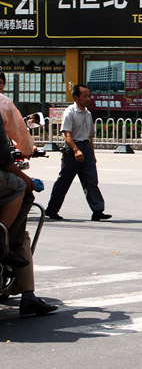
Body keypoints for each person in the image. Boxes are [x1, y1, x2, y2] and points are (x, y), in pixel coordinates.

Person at [0, 111, 58, 315]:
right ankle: (6, 241)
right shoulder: (5, 105)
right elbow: (10, 154)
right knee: (21, 188)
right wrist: (26, 177)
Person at [45, 84, 111, 221]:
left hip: (86, 149)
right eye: (85, 96)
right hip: (72, 150)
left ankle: (97, 211)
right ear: (76, 97)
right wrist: (76, 150)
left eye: (89, 95)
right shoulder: (70, 112)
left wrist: (92, 154)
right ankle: (52, 210)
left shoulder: (88, 113)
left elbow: (90, 136)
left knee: (91, 181)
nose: (88, 98)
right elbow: (67, 135)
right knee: (64, 181)